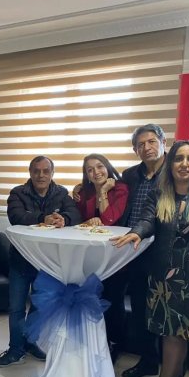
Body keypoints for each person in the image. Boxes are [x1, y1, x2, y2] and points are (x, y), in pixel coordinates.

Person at [112, 140, 189, 377]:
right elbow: (147, 220)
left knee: (179, 333)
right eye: (178, 158)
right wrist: (137, 232)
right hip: (164, 274)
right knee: (169, 331)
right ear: (170, 163)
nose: (184, 164)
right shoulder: (159, 194)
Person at [75, 124, 166, 377]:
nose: (146, 147)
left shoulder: (173, 172)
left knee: (156, 307)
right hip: (128, 249)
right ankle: (147, 360)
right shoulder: (131, 174)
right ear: (135, 149)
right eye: (140, 144)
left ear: (163, 142)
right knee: (137, 305)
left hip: (160, 247)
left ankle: (164, 367)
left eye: (151, 142)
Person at [0, 156, 81, 367]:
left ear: (52, 173)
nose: (41, 175)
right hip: (21, 259)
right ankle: (15, 349)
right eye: (36, 171)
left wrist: (64, 219)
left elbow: (75, 214)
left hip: (47, 261)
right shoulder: (17, 193)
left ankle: (30, 342)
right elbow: (16, 216)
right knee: (16, 307)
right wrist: (43, 218)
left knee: (39, 306)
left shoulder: (61, 193)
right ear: (30, 172)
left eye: (46, 171)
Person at [75, 154, 129, 359]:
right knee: (94, 299)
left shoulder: (120, 189)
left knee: (114, 300)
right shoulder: (84, 192)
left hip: (116, 255)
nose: (96, 172)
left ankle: (115, 344)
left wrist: (104, 192)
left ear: (107, 167)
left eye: (99, 166)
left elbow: (109, 220)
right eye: (90, 169)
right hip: (92, 256)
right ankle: (97, 342)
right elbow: (80, 221)